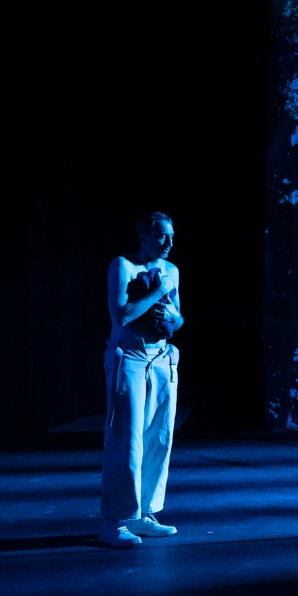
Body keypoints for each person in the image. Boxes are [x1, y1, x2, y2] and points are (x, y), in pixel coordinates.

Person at [99, 212, 184, 547]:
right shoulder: (123, 265)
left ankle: (144, 514)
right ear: (144, 235)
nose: (169, 242)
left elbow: (179, 318)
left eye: (172, 236)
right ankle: (114, 521)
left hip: (162, 357)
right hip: (130, 356)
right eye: (162, 236)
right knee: (127, 440)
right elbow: (122, 315)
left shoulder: (172, 270)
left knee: (158, 439)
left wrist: (173, 316)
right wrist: (157, 291)